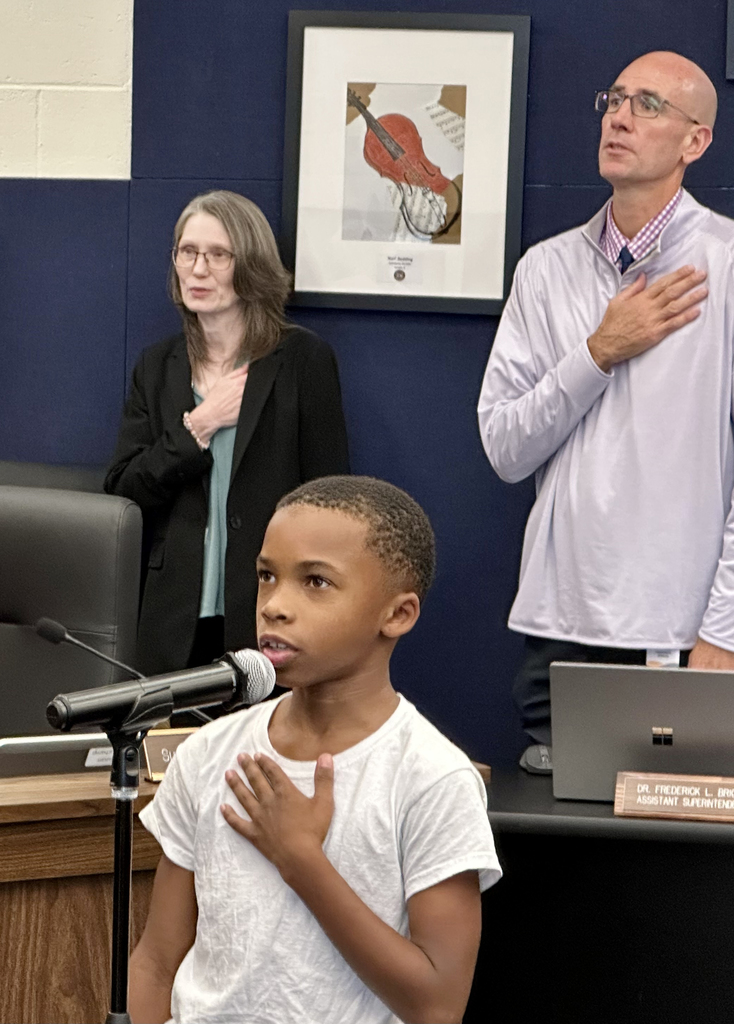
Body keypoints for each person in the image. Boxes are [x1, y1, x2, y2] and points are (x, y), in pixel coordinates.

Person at [129, 475, 501, 1024]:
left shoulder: (431, 777)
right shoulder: (207, 753)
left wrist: (301, 858)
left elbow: (437, 1004)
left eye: (316, 582)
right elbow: (157, 963)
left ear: (397, 614)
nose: (275, 606)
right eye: (266, 576)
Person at [477, 51, 734, 763]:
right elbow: (504, 447)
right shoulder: (546, 268)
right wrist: (598, 353)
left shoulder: (728, 266)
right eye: (615, 99)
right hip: (560, 620)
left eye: (648, 104)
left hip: (683, 632)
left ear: (696, 141)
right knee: (573, 862)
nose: (620, 116)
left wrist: (724, 630)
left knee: (673, 869)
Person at [104, 190, 349, 675]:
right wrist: (200, 424)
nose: (198, 269)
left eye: (218, 255)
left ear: (251, 264)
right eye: (187, 252)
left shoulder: (301, 360)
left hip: (271, 612)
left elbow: (332, 503)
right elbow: (124, 490)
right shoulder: (157, 367)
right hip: (173, 619)